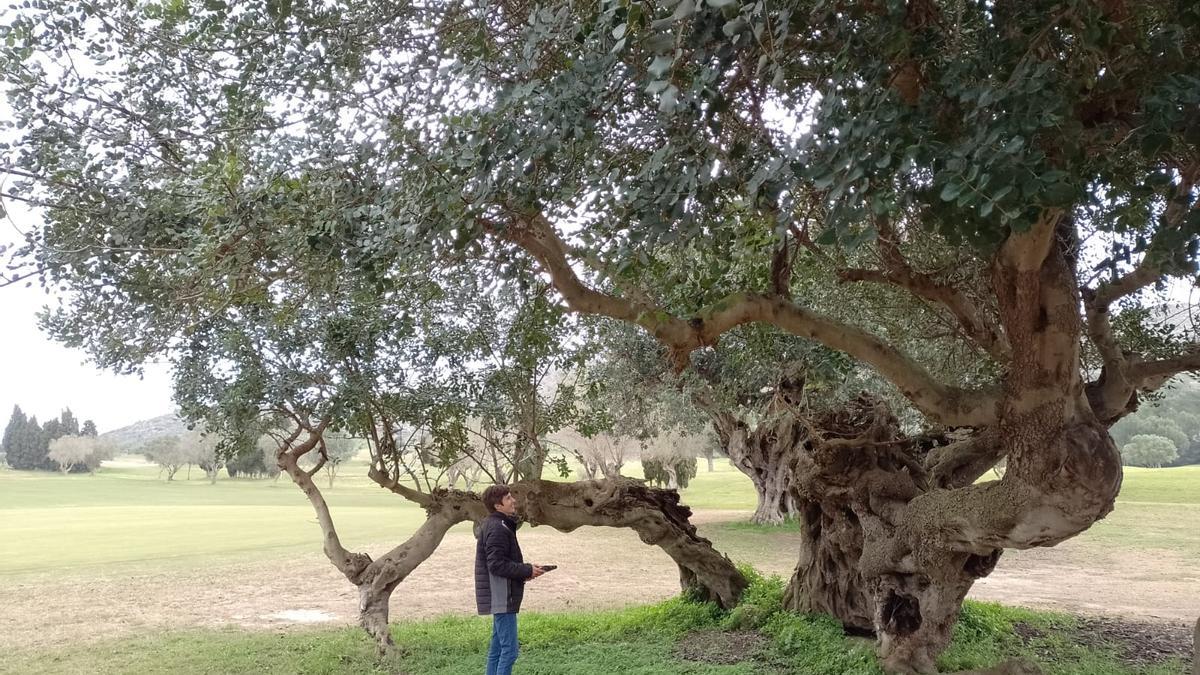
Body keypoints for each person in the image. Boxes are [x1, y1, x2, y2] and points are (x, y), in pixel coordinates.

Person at [475, 484, 545, 675]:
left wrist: (527, 571)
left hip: (502, 595)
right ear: (498, 506)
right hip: (501, 597)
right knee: (510, 652)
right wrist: (525, 570)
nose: (513, 500)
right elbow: (496, 564)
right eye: (508, 498)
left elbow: (502, 561)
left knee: (497, 651)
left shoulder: (499, 524)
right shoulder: (497, 527)